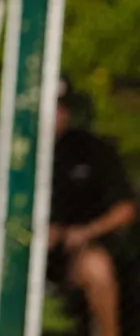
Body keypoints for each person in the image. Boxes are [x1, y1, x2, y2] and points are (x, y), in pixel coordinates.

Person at [45, 75, 139, 336]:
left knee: (97, 266)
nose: (56, 115)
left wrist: (85, 232)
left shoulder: (92, 149)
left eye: (62, 108)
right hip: (17, 249)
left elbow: (125, 210)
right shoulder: (11, 149)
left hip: (72, 254)